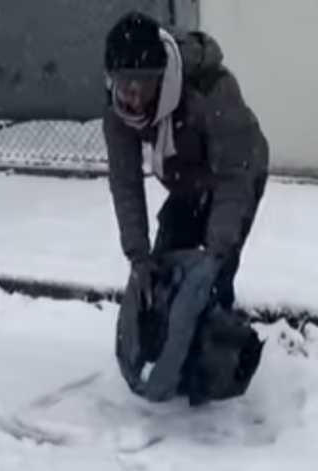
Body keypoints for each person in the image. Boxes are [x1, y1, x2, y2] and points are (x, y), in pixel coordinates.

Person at [103, 11, 268, 310]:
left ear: (162, 74)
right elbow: (125, 182)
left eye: (144, 82)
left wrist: (216, 254)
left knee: (213, 274)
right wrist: (138, 256)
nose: (134, 95)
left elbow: (234, 177)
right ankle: (168, 339)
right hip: (188, 177)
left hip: (240, 167)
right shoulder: (118, 110)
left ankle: (217, 334)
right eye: (126, 82)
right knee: (164, 268)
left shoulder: (210, 89)